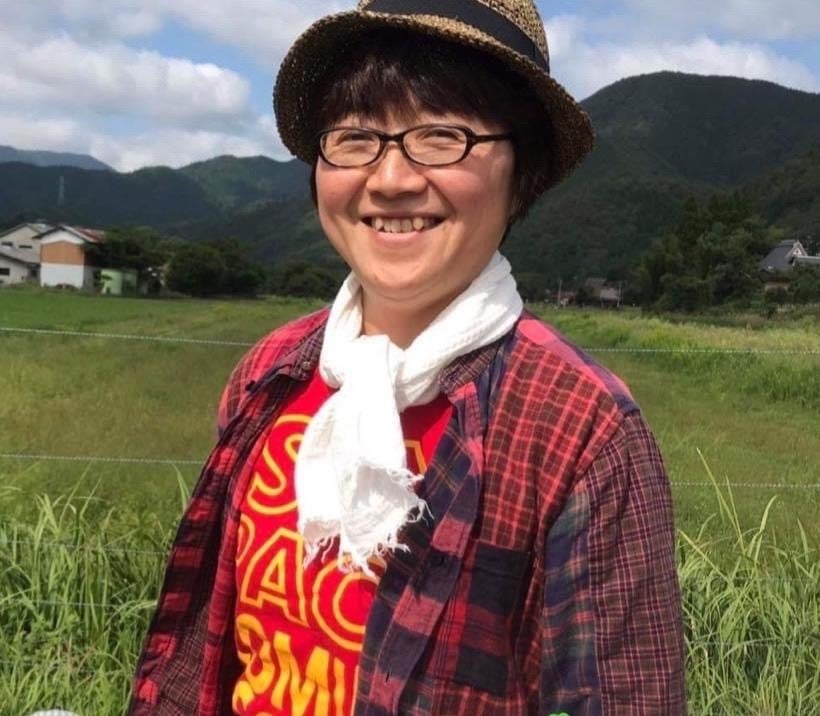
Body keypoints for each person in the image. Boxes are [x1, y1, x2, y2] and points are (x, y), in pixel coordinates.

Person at [129, 1, 685, 714]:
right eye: (355, 137)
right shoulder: (272, 372)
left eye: (441, 136)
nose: (390, 179)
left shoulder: (581, 430)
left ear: (522, 174)